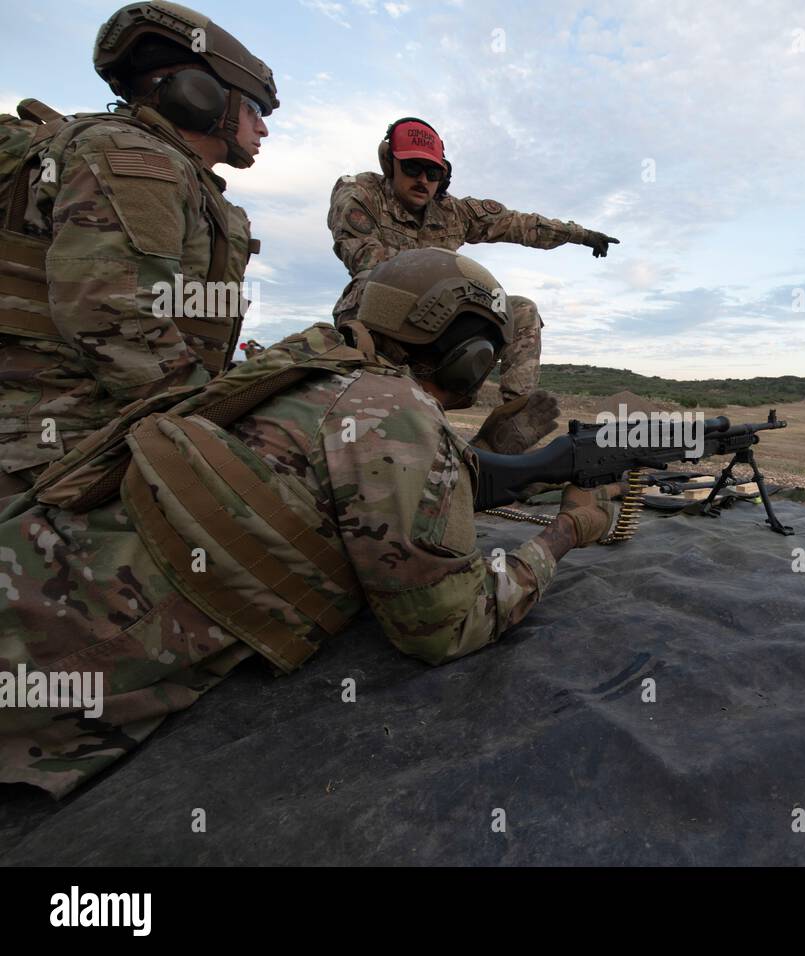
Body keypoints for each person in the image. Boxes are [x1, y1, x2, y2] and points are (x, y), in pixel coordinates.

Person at [0, 247, 621, 798]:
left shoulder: (302, 366)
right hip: (49, 668)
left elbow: (347, 488)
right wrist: (568, 530)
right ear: (471, 354)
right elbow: (445, 626)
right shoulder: (393, 411)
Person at [0, 1, 277, 495]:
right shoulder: (139, 159)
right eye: (254, 108)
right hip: (69, 440)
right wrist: (207, 422)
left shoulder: (149, 159)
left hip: (83, 427)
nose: (263, 129)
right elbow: (115, 311)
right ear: (203, 96)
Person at [327, 116, 619, 405]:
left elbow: (518, 224)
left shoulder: (453, 212)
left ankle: (514, 419)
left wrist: (581, 235)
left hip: (441, 317)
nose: (423, 180)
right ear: (389, 163)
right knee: (369, 285)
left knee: (521, 311)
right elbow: (367, 262)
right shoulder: (361, 194)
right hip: (382, 310)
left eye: (433, 172)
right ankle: (387, 396)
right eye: (412, 167)